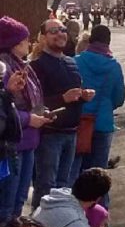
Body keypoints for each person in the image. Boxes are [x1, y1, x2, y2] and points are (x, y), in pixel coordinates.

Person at [30, 19, 95, 208]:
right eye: (53, 31)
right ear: (43, 38)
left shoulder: (70, 62)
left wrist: (83, 96)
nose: (60, 34)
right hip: (50, 135)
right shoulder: (37, 65)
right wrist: (62, 99)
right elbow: (34, 104)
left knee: (64, 187)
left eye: (63, 29)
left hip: (72, 133)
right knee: (45, 188)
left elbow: (73, 95)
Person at [0, 18, 51, 222]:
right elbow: (5, 108)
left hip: (28, 141)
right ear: (14, 43)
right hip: (13, 144)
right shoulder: (4, 68)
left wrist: (41, 111)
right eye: (24, 40)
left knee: (20, 199)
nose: (29, 43)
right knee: (7, 203)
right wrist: (29, 118)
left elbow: (33, 98)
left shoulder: (22, 65)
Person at [72, 26, 125, 183]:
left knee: (76, 173)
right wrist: (107, 107)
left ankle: (75, 206)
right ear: (108, 42)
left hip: (79, 122)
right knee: (99, 177)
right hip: (103, 122)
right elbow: (119, 98)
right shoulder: (114, 66)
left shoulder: (76, 62)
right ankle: (99, 206)